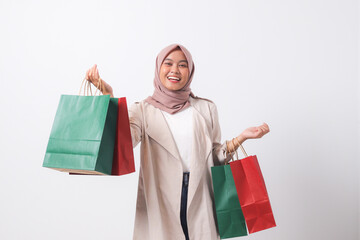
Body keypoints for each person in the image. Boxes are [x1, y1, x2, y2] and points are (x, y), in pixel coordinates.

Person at [85, 44, 270, 240]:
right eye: (168, 63)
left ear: (190, 71)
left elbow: (215, 156)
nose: (175, 70)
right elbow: (125, 143)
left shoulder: (206, 108)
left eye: (182, 65)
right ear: (158, 68)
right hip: (160, 195)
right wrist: (109, 97)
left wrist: (242, 137)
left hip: (201, 194)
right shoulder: (142, 110)